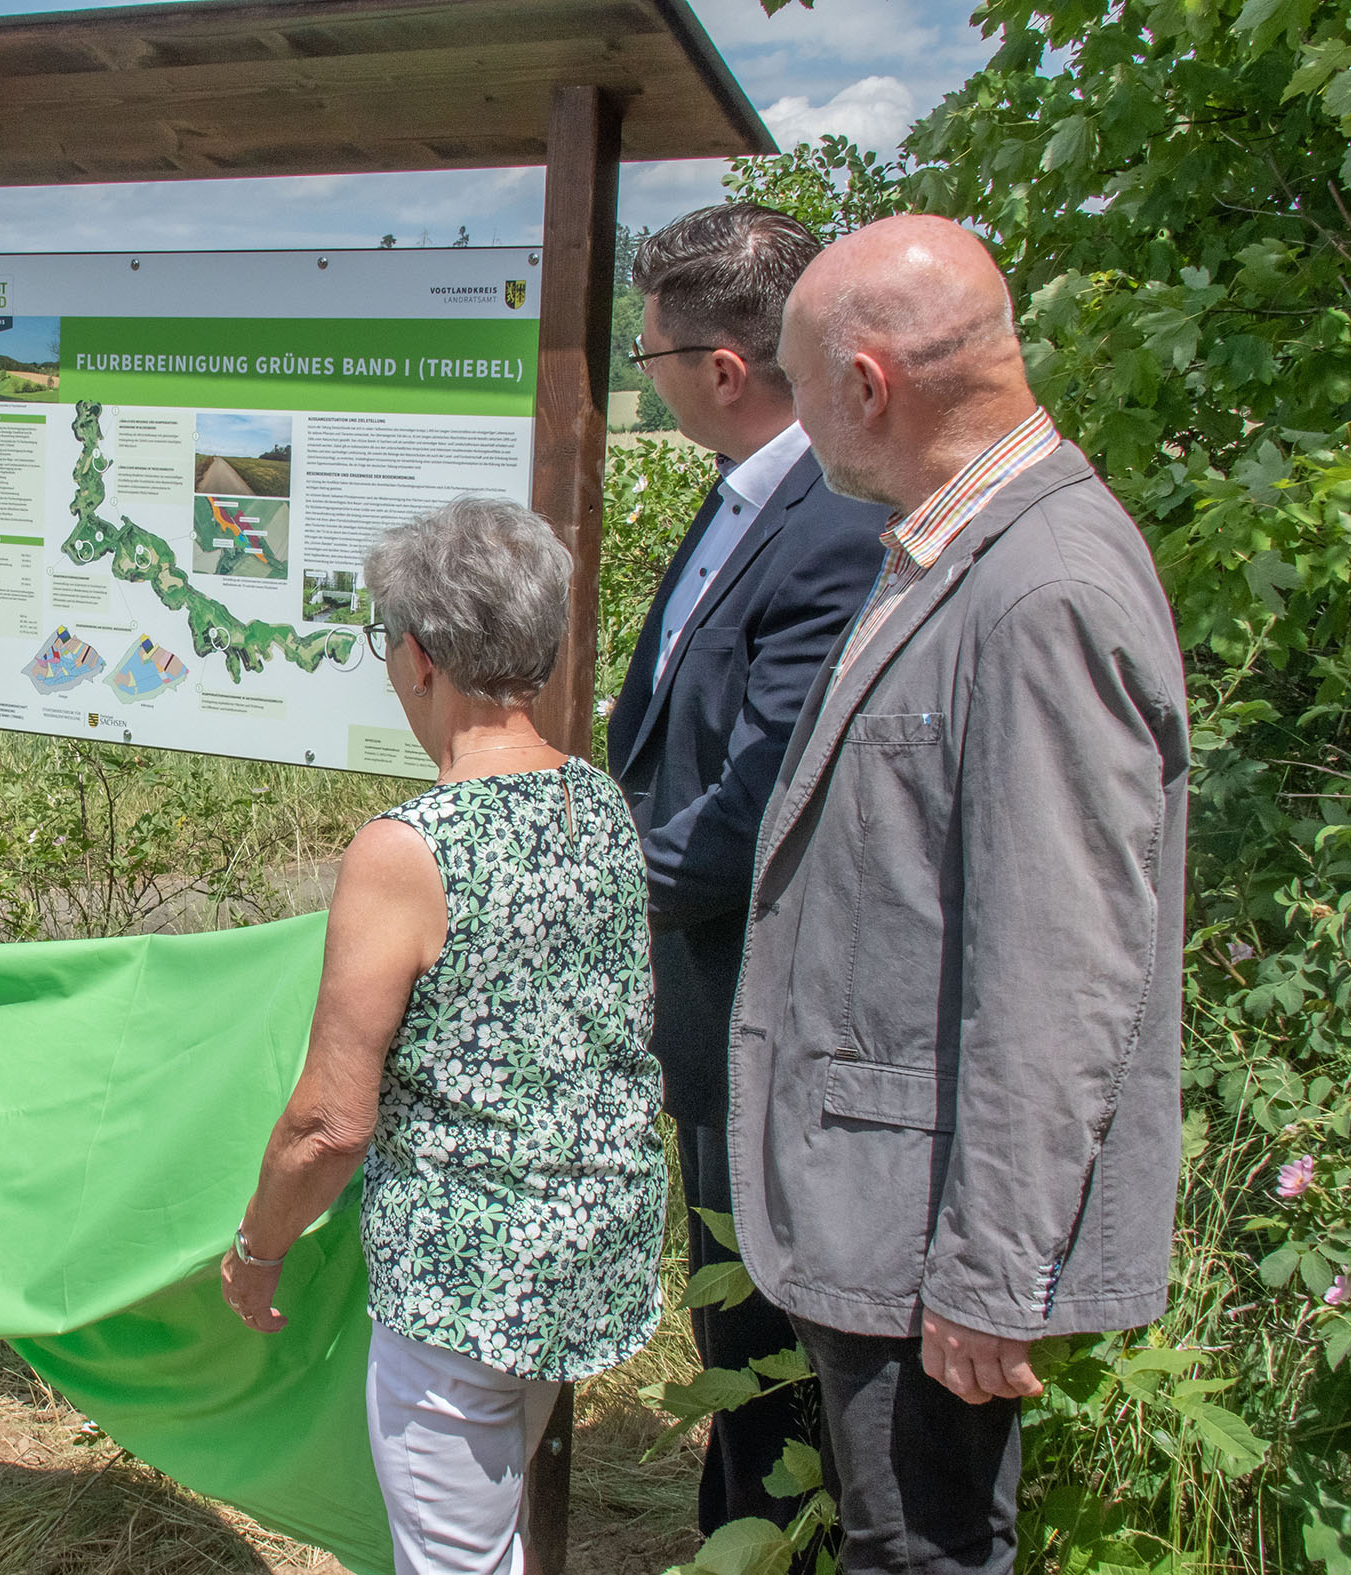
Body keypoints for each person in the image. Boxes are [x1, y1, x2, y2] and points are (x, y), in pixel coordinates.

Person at [733, 215, 1189, 1574]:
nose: (797, 426)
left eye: (801, 387)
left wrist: (992, 1274)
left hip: (923, 1222)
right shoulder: (952, 544)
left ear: (865, 385)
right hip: (885, 1198)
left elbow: (1060, 969)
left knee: (922, 1549)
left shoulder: (1039, 586)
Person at [220, 498, 664, 1575]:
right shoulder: (597, 804)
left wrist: (256, 1251)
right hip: (581, 1252)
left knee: (451, 1559)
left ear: (416, 657)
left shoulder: (407, 851)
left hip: (463, 1279)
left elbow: (329, 1120)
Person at [606, 202, 887, 1539]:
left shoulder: (830, 522)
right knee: (732, 1309)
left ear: (720, 367)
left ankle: (771, 1541)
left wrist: (601, 883)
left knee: (770, 1329)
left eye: (649, 358)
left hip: (764, 999)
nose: (643, 382)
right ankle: (736, 1532)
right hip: (708, 1001)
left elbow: (757, 797)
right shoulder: (747, 498)